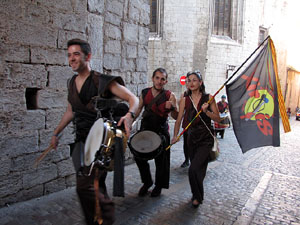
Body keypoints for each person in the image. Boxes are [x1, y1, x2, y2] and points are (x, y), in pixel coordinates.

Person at [50, 39, 139, 225]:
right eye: (69, 55)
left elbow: (133, 99)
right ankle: (97, 218)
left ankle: (105, 218)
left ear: (87, 56)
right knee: (94, 184)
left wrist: (130, 115)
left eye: (76, 54)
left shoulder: (101, 81)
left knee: (85, 186)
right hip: (81, 141)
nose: (72, 59)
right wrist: (56, 133)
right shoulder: (71, 82)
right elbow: (70, 112)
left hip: (101, 142)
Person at [171, 71, 220, 208]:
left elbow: (217, 118)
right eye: (188, 80)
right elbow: (179, 118)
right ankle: (196, 194)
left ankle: (197, 196)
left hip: (206, 138)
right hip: (191, 138)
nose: (191, 83)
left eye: (194, 80)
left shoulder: (209, 98)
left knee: (193, 169)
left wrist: (206, 112)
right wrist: (175, 135)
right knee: (199, 170)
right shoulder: (184, 99)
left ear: (200, 82)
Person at [133, 68, 178, 197]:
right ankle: (147, 182)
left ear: (166, 81)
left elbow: (175, 116)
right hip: (146, 129)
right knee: (139, 156)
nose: (159, 81)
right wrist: (129, 122)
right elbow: (138, 110)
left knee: (161, 160)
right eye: (157, 78)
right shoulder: (145, 93)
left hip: (161, 131)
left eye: (162, 79)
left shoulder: (170, 95)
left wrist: (173, 107)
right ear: (153, 79)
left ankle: (159, 186)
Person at [180, 76, 190, 168]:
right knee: (186, 143)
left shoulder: (203, 95)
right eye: (187, 82)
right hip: (187, 123)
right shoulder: (184, 95)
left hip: (198, 124)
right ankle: (187, 159)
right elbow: (181, 112)